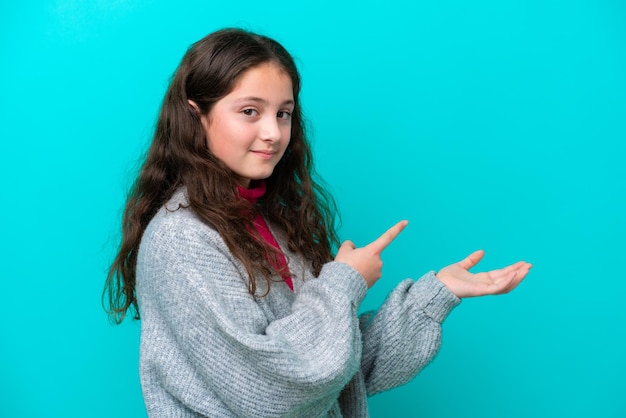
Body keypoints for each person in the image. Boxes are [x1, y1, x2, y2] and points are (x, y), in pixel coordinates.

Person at [104, 28, 531, 417]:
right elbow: (275, 391)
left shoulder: (268, 219)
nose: (273, 132)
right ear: (197, 114)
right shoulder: (182, 239)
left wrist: (435, 295)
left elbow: (334, 373)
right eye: (250, 111)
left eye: (283, 113)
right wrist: (344, 281)